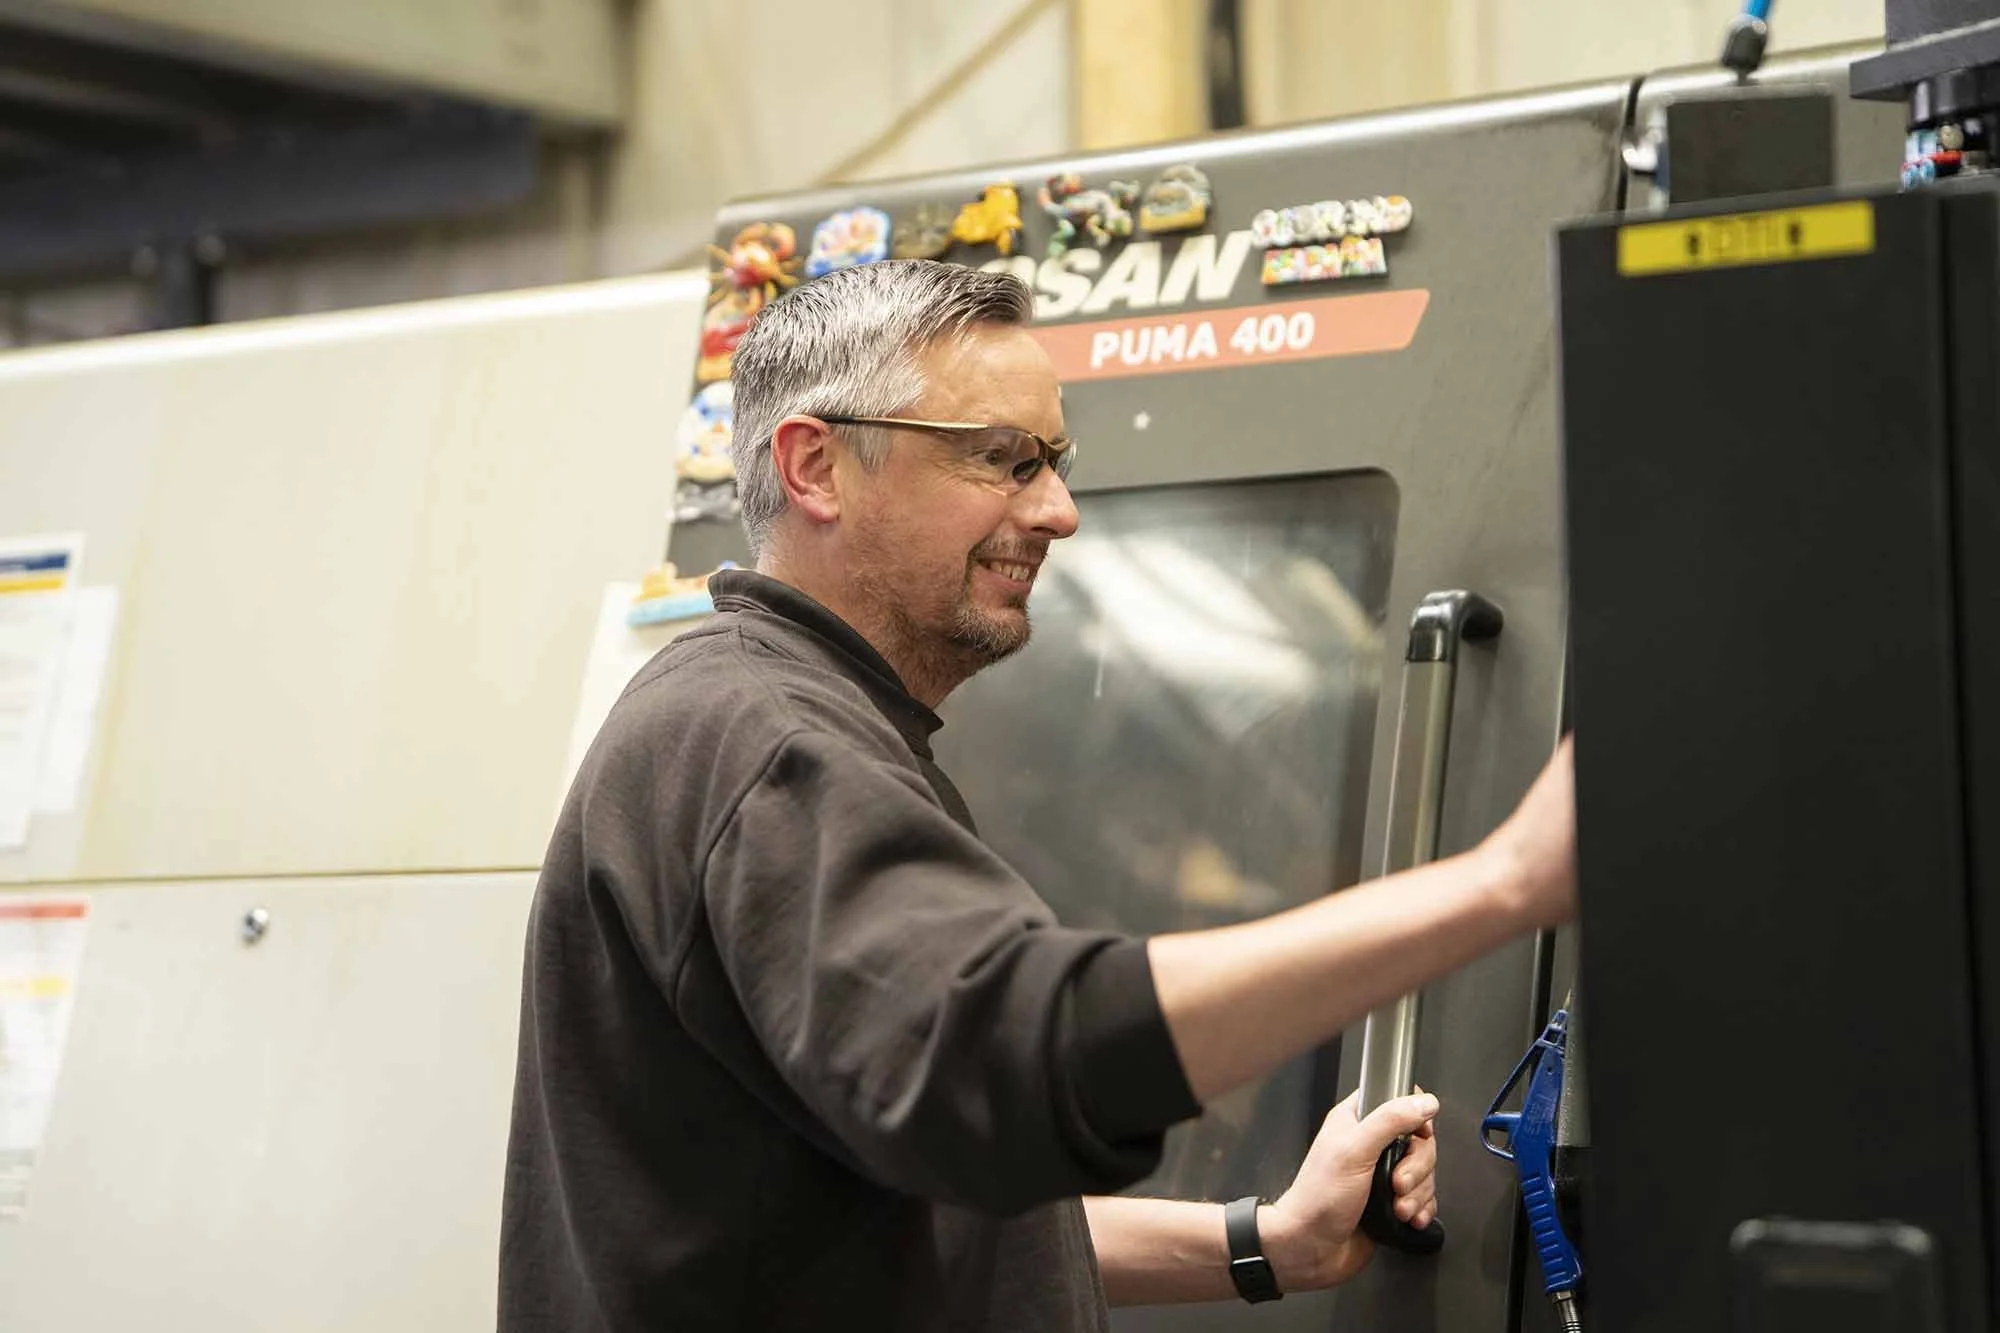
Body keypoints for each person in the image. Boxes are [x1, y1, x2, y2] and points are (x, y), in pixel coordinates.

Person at [499, 260, 1577, 1331]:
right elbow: (1016, 1058)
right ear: (816, 466)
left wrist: (1265, 1242)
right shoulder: (761, 738)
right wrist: (1503, 883)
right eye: (1003, 460)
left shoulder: (806, 724)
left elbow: (927, 1202)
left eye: (1053, 463)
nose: (1058, 511)